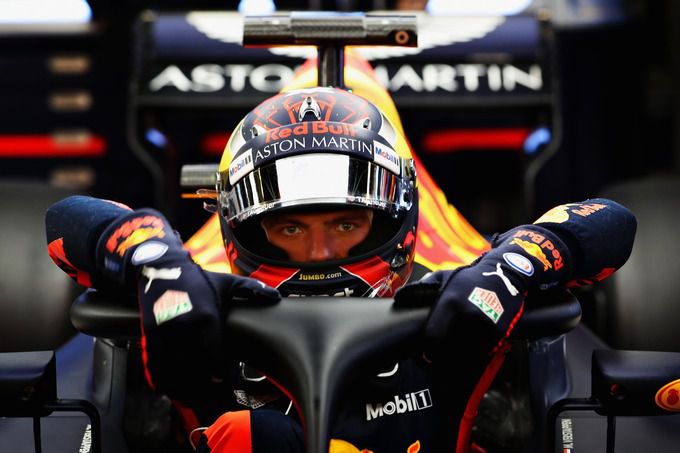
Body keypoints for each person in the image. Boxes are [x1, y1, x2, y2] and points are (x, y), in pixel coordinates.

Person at [45, 86, 636, 452]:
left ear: (395, 219)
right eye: (290, 228)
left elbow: (611, 223)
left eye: (347, 224)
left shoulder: (455, 303)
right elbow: (67, 220)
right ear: (241, 229)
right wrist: (157, 260)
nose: (321, 253)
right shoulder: (199, 310)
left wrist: (516, 262)